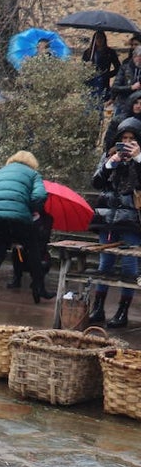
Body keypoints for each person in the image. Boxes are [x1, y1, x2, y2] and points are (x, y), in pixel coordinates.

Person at [0, 151, 52, 305]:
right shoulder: (33, 174)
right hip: (19, 218)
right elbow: (40, 195)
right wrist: (29, 209)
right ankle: (39, 288)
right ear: (32, 163)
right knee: (33, 249)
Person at [87, 117, 141, 328]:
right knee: (105, 262)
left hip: (131, 218)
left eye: (132, 139)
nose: (127, 143)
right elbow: (97, 182)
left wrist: (138, 159)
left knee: (130, 264)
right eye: (124, 138)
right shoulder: (110, 156)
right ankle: (98, 307)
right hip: (107, 216)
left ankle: (122, 310)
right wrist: (110, 164)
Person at [84, 30, 120, 106]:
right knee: (88, 104)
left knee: (100, 103)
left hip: (102, 82)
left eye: (101, 38)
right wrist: (87, 67)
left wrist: (108, 75)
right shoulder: (88, 53)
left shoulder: (110, 53)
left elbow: (118, 68)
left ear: (104, 39)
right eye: (97, 38)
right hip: (90, 81)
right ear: (94, 40)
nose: (99, 40)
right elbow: (81, 67)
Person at [111, 45, 141, 119]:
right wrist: (131, 87)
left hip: (138, 108)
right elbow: (115, 88)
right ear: (135, 56)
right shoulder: (124, 68)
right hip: (123, 105)